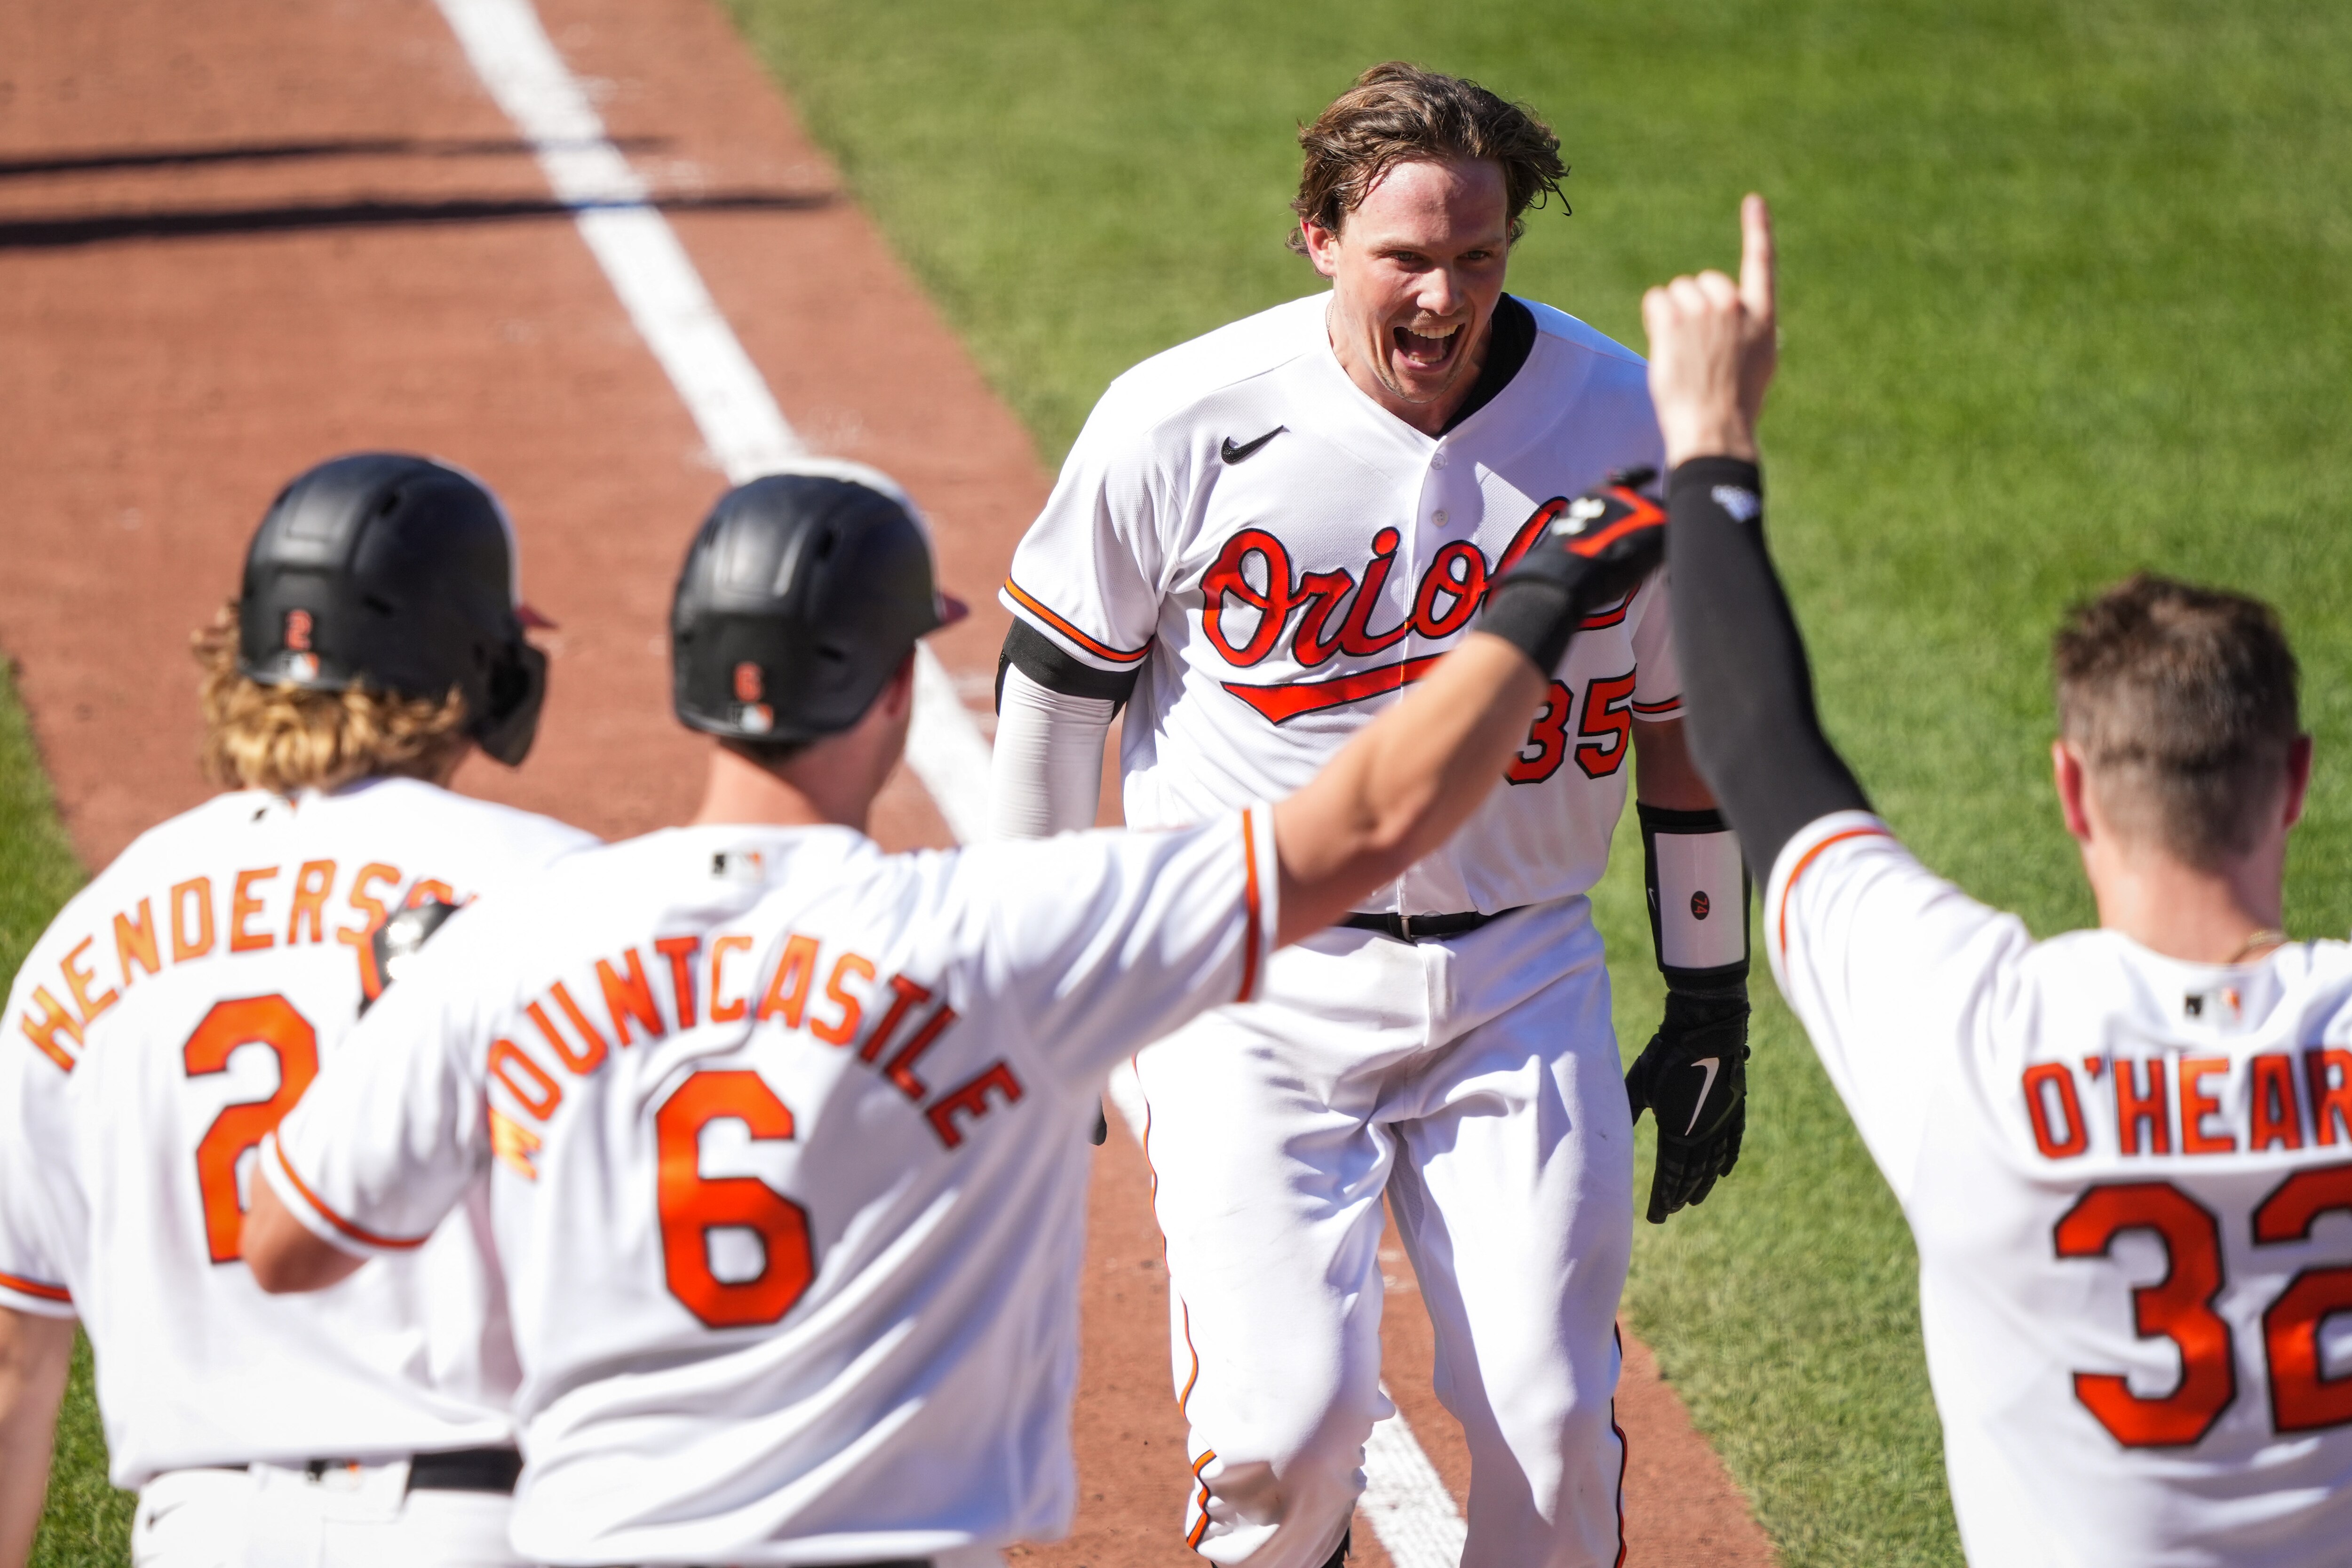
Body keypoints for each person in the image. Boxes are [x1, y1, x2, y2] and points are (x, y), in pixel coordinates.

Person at [238, 454, 1667, 1568]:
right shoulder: (999, 938)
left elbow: (293, 1238)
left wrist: (411, 1040)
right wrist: (1538, 595)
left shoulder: (521, 935)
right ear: (888, 685)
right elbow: (1367, 820)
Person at [986, 61, 1748, 1568]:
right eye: (1408, 255)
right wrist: (1040, 984)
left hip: (1520, 975)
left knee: (1549, 1427)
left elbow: (1681, 732)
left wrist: (1711, 988)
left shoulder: (1617, 424)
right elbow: (1054, 705)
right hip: (1242, 976)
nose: (1445, 297)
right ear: (1320, 237)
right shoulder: (1184, 418)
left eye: (1480, 255)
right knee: (1283, 1438)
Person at [1649, 193, 2352, 1564]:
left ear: (2074, 786)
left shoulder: (1977, 1031)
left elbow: (1760, 755)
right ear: (2296, 778)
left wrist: (1711, 442)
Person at [0, 454, 595, 1568]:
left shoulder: (87, 937)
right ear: (479, 669)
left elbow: (13, 1368)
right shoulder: (564, 893)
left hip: (201, 1537)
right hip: (487, 1526)